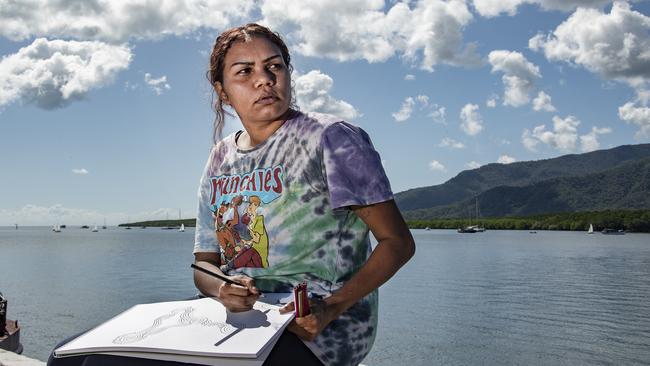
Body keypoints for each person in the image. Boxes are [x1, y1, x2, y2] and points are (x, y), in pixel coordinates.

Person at [192, 23, 415, 366]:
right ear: (223, 92)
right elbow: (205, 265)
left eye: (274, 66)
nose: (264, 79)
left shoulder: (332, 139)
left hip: (319, 330)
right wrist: (222, 288)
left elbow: (397, 242)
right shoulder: (220, 158)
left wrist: (331, 308)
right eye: (245, 72)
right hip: (241, 324)